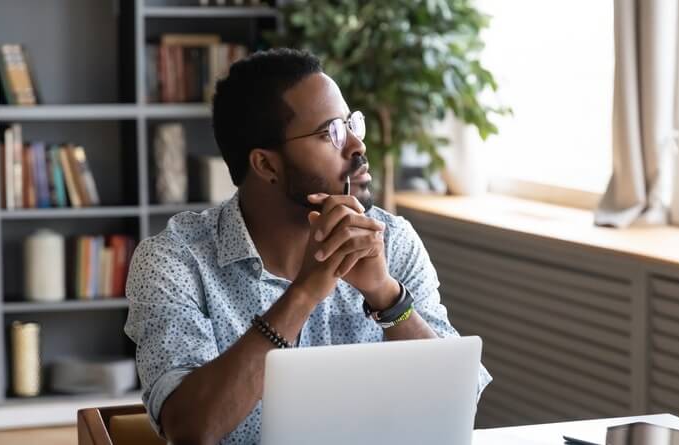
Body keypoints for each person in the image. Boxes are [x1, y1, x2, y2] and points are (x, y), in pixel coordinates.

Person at [124, 48, 491, 444]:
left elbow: (458, 406)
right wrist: (304, 292)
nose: (357, 147)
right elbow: (191, 430)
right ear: (266, 165)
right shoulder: (174, 261)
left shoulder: (392, 240)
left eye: (353, 125)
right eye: (330, 133)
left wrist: (387, 298)